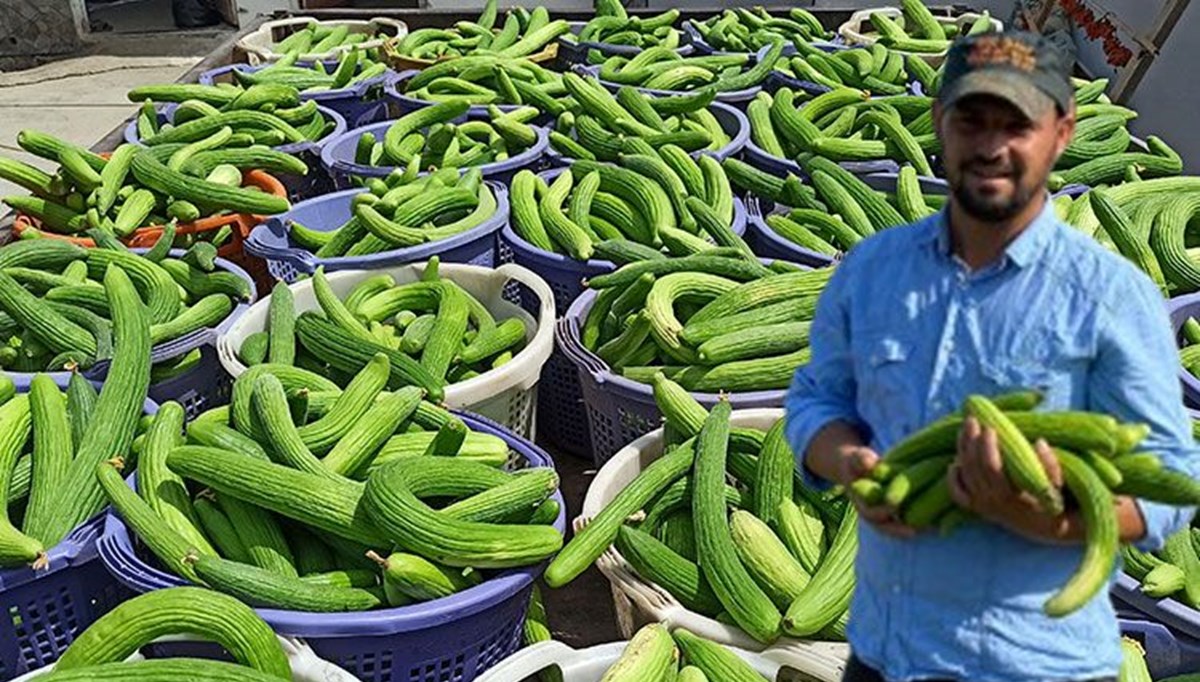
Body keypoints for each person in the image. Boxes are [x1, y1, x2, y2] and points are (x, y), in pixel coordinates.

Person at [784, 31, 1197, 682]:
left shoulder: (1112, 297)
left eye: (1018, 123)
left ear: (1061, 133)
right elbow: (815, 401)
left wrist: (1052, 519)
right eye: (972, 119)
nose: (992, 146)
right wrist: (847, 461)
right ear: (938, 122)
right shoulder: (870, 273)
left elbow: (1174, 480)